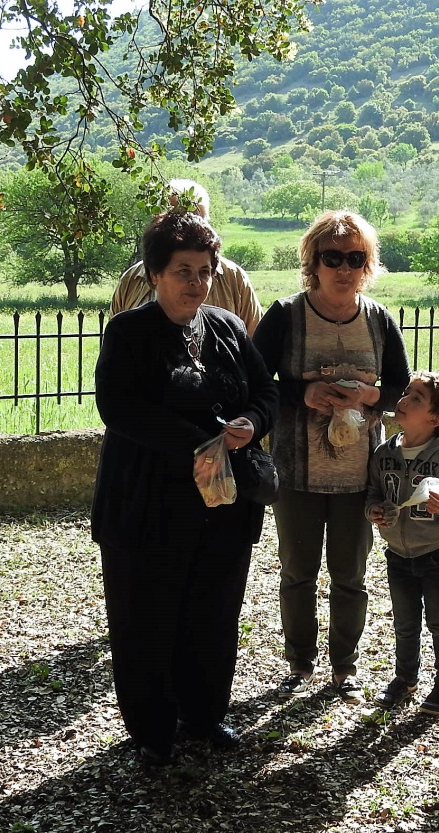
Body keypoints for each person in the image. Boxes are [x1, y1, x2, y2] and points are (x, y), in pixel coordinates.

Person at [91, 210, 277, 765]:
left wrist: (250, 425)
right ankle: (151, 731)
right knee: (146, 616)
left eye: (204, 271)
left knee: (213, 611)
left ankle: (204, 714)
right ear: (155, 274)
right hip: (147, 503)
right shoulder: (129, 333)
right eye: (183, 271)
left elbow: (266, 393)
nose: (196, 283)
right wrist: (200, 443)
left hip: (222, 507)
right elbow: (118, 407)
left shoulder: (227, 327)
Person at [253, 209, 410, 705]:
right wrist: (303, 393)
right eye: (332, 257)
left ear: (368, 264)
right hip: (295, 473)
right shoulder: (285, 316)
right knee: (297, 574)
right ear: (313, 262)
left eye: (355, 258)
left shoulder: (380, 321)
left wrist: (369, 396)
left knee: (350, 578)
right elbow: (254, 385)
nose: (344, 268)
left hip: (360, 476)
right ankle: (300, 662)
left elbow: (401, 391)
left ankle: (345, 667)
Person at [366, 371, 439, 717]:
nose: (404, 400)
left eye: (416, 398)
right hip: (397, 554)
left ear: (434, 419)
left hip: (437, 554)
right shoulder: (384, 452)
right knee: (404, 624)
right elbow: (373, 494)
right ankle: (405, 678)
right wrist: (373, 511)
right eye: (406, 393)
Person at [110, 178, 262, 334]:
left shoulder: (234, 279)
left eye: (198, 219)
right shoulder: (131, 280)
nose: (190, 227)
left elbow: (256, 340)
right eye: (178, 220)